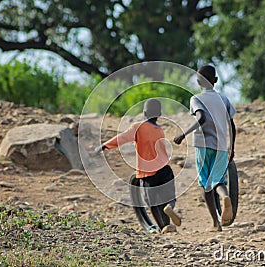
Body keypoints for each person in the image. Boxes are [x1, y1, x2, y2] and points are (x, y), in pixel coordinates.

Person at [96, 98, 181, 233]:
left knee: (152, 202)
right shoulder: (159, 130)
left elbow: (123, 137)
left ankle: (162, 227)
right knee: (169, 199)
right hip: (165, 169)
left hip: (149, 174)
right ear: (159, 114)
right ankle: (169, 208)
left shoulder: (138, 127)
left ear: (144, 113)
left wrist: (105, 145)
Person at [174, 65, 237, 231]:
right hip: (221, 146)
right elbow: (232, 125)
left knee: (205, 184)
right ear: (216, 80)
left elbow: (201, 118)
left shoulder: (196, 99)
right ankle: (225, 197)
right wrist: (232, 146)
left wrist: (183, 134)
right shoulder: (224, 99)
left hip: (203, 145)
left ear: (198, 81)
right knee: (218, 180)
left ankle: (216, 224)